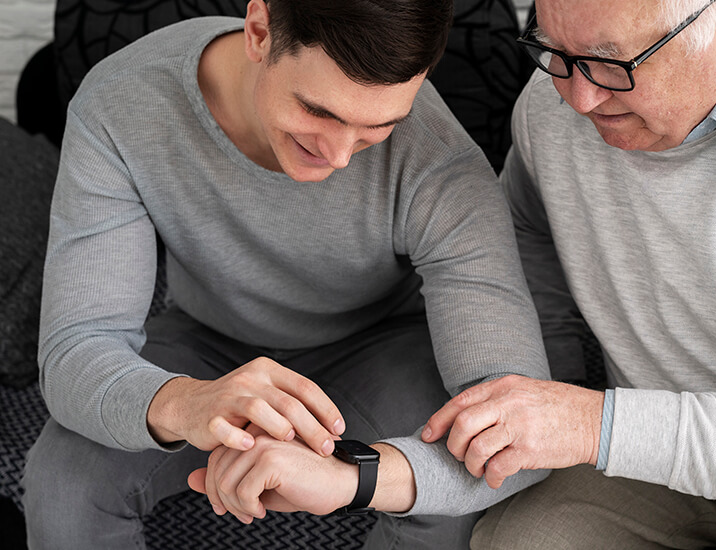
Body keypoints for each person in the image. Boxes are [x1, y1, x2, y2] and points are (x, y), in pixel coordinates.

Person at [23, 0, 552, 548]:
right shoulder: (122, 102)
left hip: (384, 352)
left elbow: (518, 430)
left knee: (457, 477)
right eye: (319, 112)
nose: (341, 156)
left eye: (379, 126)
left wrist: (360, 478)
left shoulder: (442, 166)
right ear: (259, 32)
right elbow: (76, 350)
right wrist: (185, 404)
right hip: (208, 344)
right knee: (63, 484)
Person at [422, 0, 716, 547]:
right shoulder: (552, 100)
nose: (579, 99)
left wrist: (588, 423)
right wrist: (555, 389)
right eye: (553, 48)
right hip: (643, 440)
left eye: (612, 63)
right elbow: (526, 234)